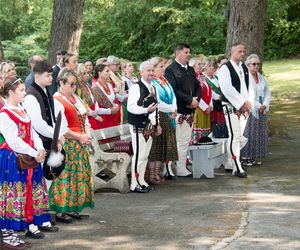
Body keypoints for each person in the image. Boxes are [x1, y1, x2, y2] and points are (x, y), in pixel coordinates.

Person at [0, 78, 57, 246]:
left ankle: (14, 233)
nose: (25, 93)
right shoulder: (4, 113)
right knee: (12, 195)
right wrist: (34, 153)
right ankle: (7, 235)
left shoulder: (22, 109)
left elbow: (33, 133)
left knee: (25, 194)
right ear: (11, 92)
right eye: (21, 90)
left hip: (28, 157)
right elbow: (13, 141)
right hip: (13, 158)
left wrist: (39, 149)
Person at [49, 69, 94, 222]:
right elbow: (61, 128)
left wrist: (87, 134)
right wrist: (80, 136)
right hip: (67, 143)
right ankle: (61, 211)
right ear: (61, 83)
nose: (74, 87)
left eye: (76, 84)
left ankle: (73, 208)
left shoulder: (76, 98)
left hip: (81, 143)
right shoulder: (56, 100)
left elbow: (85, 119)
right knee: (65, 176)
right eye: (72, 84)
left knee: (78, 176)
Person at [218, 42, 254, 178]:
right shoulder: (225, 68)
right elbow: (227, 89)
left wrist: (249, 102)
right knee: (234, 134)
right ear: (232, 52)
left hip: (244, 107)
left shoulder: (244, 67)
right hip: (231, 106)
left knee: (239, 136)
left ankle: (231, 162)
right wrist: (241, 103)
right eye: (240, 51)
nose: (243, 53)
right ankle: (237, 165)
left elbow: (249, 87)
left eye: (244, 51)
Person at [164, 43, 201, 176]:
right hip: (178, 111)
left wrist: (196, 99)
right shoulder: (170, 70)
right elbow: (173, 89)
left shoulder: (190, 70)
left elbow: (198, 86)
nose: (188, 54)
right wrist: (188, 100)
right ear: (178, 53)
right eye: (186, 52)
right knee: (177, 141)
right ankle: (171, 168)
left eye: (189, 52)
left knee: (185, 141)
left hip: (190, 111)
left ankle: (181, 167)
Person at [127, 60, 161, 192]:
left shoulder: (153, 87)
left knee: (145, 155)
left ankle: (141, 180)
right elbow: (131, 107)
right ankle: (134, 183)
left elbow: (155, 108)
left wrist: (156, 123)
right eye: (148, 70)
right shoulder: (136, 87)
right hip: (137, 125)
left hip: (149, 126)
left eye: (152, 70)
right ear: (141, 72)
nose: (151, 73)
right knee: (139, 155)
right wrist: (146, 110)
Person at [148, 57, 178, 182]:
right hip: (159, 116)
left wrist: (174, 108)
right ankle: (152, 174)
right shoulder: (152, 83)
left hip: (169, 116)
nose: (163, 68)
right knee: (156, 146)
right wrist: (171, 108)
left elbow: (173, 95)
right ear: (153, 69)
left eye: (164, 65)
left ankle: (159, 173)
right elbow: (157, 101)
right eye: (161, 66)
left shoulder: (164, 80)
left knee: (164, 147)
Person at [241, 54, 271, 165]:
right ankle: (244, 157)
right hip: (251, 108)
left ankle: (253, 156)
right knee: (249, 132)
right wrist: (259, 106)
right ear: (248, 65)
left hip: (262, 108)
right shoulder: (245, 77)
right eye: (253, 64)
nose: (256, 66)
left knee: (258, 133)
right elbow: (247, 95)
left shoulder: (260, 76)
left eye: (258, 64)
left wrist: (265, 105)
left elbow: (267, 92)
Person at [90, 64, 124, 130]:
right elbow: (95, 109)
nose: (109, 73)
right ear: (100, 73)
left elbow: (115, 101)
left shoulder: (109, 85)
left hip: (113, 119)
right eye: (107, 71)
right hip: (103, 121)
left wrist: (116, 106)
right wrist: (109, 111)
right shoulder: (95, 88)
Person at [190, 57, 213, 143]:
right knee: (197, 135)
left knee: (205, 135)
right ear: (192, 66)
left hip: (206, 109)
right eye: (199, 64)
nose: (201, 66)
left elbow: (209, 91)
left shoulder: (202, 77)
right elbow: (195, 95)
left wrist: (210, 105)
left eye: (202, 64)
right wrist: (204, 107)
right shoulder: (192, 78)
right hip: (198, 108)